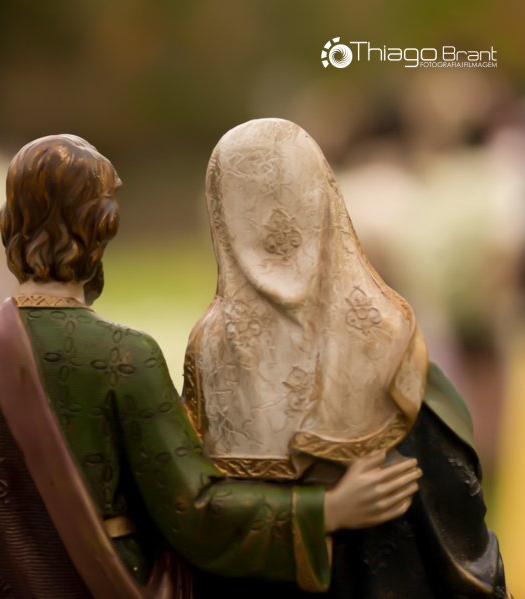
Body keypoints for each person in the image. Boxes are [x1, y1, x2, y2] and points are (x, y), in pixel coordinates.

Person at [0, 134, 422, 598]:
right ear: (101, 227)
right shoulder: (124, 356)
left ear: (7, 223)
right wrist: (324, 512)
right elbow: (192, 510)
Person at [183, 118, 508, 598]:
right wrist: (324, 512)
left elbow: (196, 505)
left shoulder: (211, 343)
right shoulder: (386, 332)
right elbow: (454, 495)